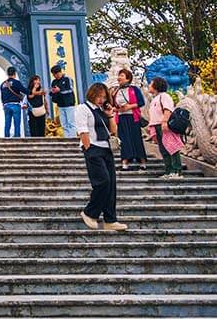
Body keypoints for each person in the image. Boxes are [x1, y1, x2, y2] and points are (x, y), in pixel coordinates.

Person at [75, 82, 126, 231]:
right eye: (99, 96)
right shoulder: (83, 109)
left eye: (104, 97)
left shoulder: (101, 110)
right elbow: (82, 130)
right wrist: (88, 148)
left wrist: (110, 115)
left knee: (111, 185)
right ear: (92, 94)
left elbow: (113, 131)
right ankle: (89, 212)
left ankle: (110, 219)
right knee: (102, 181)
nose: (101, 100)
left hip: (106, 148)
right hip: (93, 148)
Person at [148, 77, 185, 179]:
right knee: (163, 149)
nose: (149, 85)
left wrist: (165, 122)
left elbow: (167, 109)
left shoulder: (164, 96)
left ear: (156, 85)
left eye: (151, 83)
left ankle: (176, 171)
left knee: (172, 147)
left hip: (164, 125)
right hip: (156, 126)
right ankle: (168, 171)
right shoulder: (155, 98)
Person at [114, 69, 148, 171]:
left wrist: (129, 106)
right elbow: (112, 105)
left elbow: (141, 102)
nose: (119, 77)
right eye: (119, 75)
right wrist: (118, 108)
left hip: (133, 117)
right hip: (121, 117)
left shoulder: (134, 89)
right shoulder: (115, 90)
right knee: (123, 140)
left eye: (122, 75)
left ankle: (142, 162)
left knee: (136, 138)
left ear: (128, 78)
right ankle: (125, 162)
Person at [49, 64, 77, 138]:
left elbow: (70, 89)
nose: (56, 76)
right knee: (64, 124)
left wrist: (60, 90)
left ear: (60, 72)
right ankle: (67, 138)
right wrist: (52, 92)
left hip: (69, 104)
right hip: (60, 105)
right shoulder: (54, 82)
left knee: (71, 123)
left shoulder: (67, 79)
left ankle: (73, 139)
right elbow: (52, 92)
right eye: (54, 74)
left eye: (57, 73)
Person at [0, 68, 28, 138]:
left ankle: (6, 138)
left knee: (7, 123)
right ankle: (17, 138)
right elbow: (25, 91)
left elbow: (2, 96)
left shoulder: (3, 84)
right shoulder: (16, 82)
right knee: (17, 123)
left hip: (6, 105)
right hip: (15, 105)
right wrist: (33, 91)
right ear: (15, 73)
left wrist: (3, 104)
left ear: (7, 73)